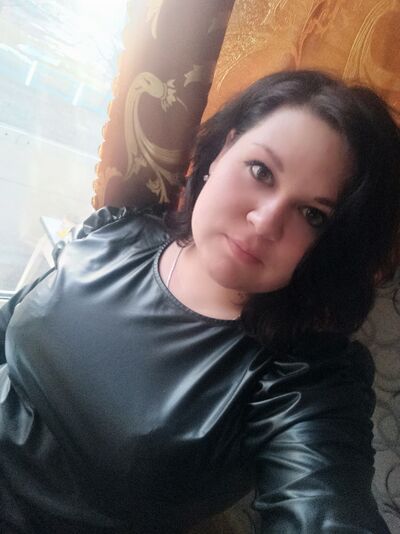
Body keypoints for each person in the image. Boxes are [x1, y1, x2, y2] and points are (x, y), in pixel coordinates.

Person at [0, 70, 399, 533]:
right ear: (224, 150)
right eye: (261, 171)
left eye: (313, 214)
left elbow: (325, 503)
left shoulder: (303, 378)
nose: (265, 221)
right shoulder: (117, 230)